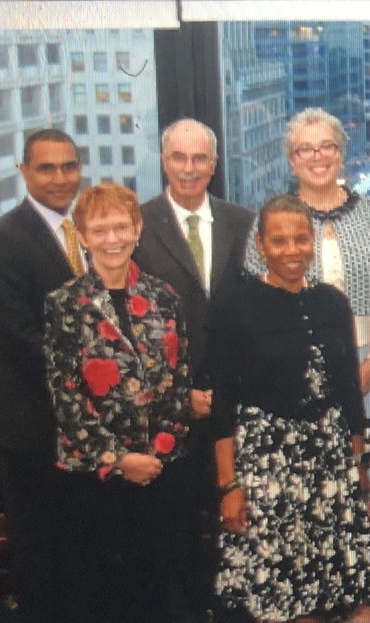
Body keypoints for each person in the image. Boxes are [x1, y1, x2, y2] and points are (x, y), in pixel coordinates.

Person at [213, 195, 370, 622]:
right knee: (287, 595)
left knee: (346, 591)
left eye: (301, 239)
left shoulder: (332, 301)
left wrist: (358, 463)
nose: (292, 250)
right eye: (279, 240)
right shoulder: (236, 305)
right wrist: (229, 486)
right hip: (267, 463)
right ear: (261, 245)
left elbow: (348, 391)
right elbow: (223, 404)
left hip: (328, 458)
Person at [42, 182, 193, 622]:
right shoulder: (65, 304)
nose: (113, 239)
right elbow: (66, 395)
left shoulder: (165, 296)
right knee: (104, 597)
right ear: (82, 237)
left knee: (161, 593)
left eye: (121, 227)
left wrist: (158, 451)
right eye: (100, 230)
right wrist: (121, 459)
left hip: (162, 471)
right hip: (96, 478)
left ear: (137, 229)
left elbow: (180, 380)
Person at [243, 108, 370, 520]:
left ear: (341, 153)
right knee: (305, 487)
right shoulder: (270, 221)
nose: (317, 156)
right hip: (293, 371)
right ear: (291, 159)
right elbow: (256, 304)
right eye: (305, 149)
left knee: (364, 485)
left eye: (327, 146)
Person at [133, 117, 254, 618]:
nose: (189, 168)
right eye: (179, 157)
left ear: (215, 164)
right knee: (173, 537)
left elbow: (254, 313)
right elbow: (128, 329)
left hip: (233, 402)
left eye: (199, 158)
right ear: (164, 161)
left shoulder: (243, 222)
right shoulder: (137, 225)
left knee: (239, 527)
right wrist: (178, 394)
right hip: (165, 410)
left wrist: (229, 390)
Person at [0, 128, 83, 622]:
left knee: (80, 551)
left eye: (68, 166)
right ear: (23, 172)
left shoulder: (84, 230)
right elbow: (19, 337)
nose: (60, 178)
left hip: (81, 429)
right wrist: (100, 377)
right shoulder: (2, 240)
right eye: (46, 168)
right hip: (32, 427)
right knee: (40, 553)